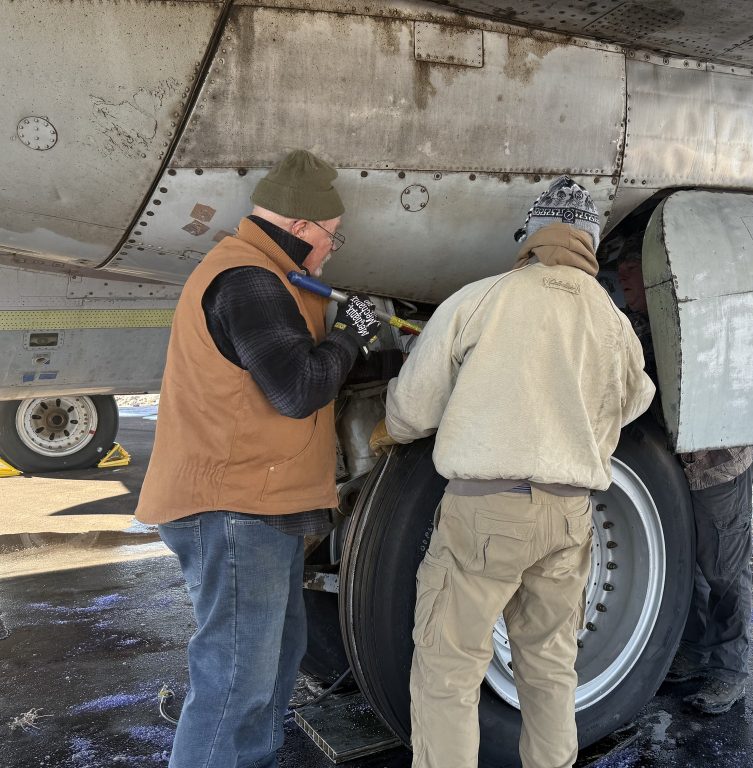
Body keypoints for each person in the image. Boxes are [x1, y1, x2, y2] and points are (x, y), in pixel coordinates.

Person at [370, 176, 655, 768]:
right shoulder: (611, 320)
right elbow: (636, 400)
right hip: (569, 516)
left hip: (486, 514)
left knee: (449, 673)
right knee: (551, 671)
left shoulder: (484, 298)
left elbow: (414, 407)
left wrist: (389, 430)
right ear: (590, 241)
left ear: (529, 235)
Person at [135, 149, 380, 767]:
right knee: (234, 682)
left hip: (253, 505)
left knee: (274, 661)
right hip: (233, 507)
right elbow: (296, 389)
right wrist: (350, 335)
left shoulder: (271, 278)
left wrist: (352, 337)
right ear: (300, 229)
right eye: (331, 238)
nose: (332, 251)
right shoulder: (248, 279)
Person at [617, 250, 753, 715]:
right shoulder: (639, 325)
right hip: (680, 467)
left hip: (716, 464)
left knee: (723, 570)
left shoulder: (692, 319)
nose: (624, 285)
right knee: (691, 570)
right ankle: (697, 653)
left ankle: (729, 670)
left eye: (630, 276)